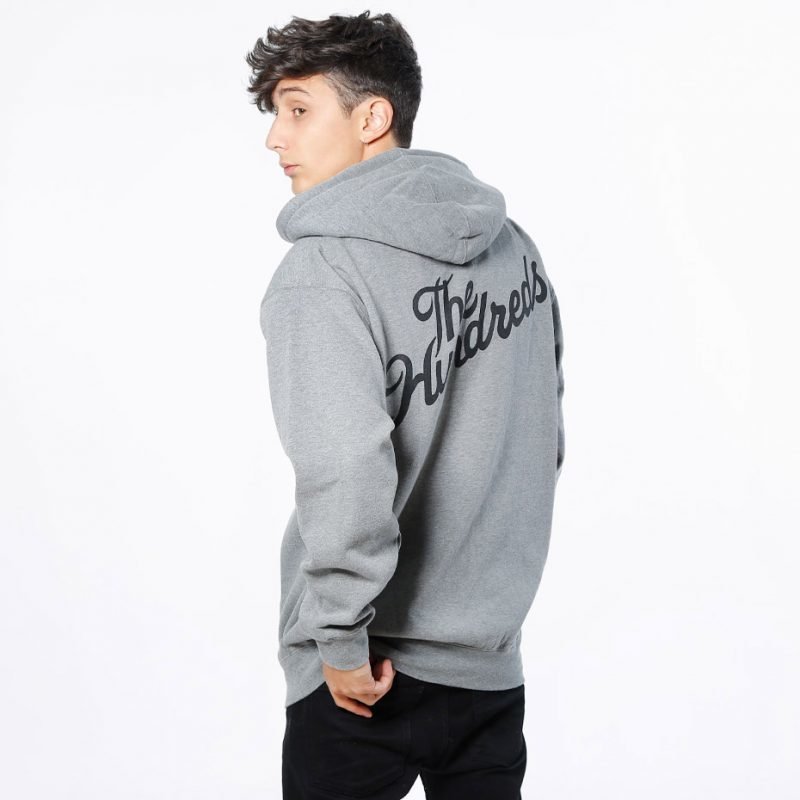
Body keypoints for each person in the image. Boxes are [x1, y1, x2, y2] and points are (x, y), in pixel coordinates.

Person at [245, 10, 565, 799]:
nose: (276, 139)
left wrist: (340, 637)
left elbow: (343, 466)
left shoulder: (322, 274)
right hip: (487, 666)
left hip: (365, 672)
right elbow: (541, 437)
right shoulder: (513, 247)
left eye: (298, 109)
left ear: (372, 118)